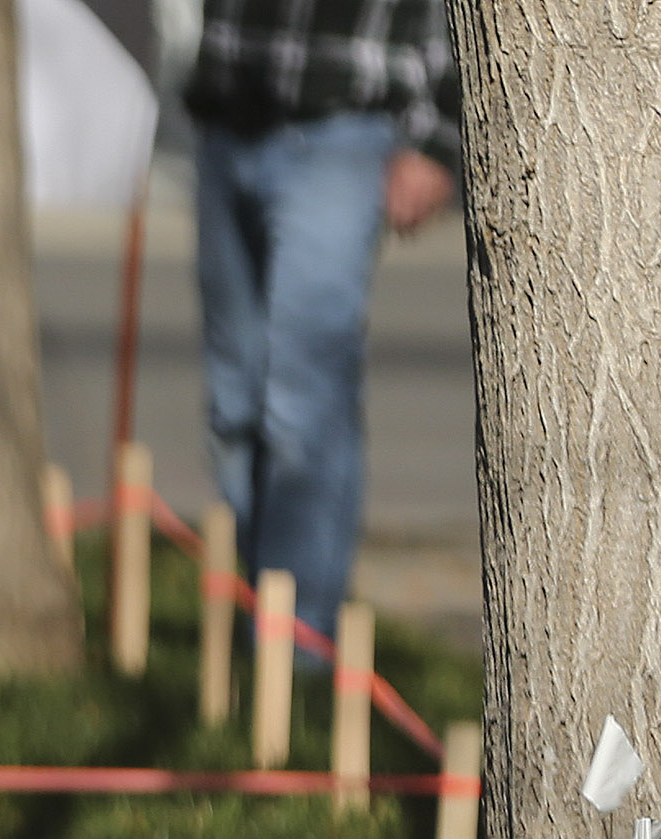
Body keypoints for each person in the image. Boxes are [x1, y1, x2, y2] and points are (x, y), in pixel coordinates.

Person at [185, 0, 459, 653]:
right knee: (232, 409)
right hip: (228, 117)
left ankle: (298, 649)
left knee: (300, 413)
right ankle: (258, 617)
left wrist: (438, 137)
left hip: (344, 125)